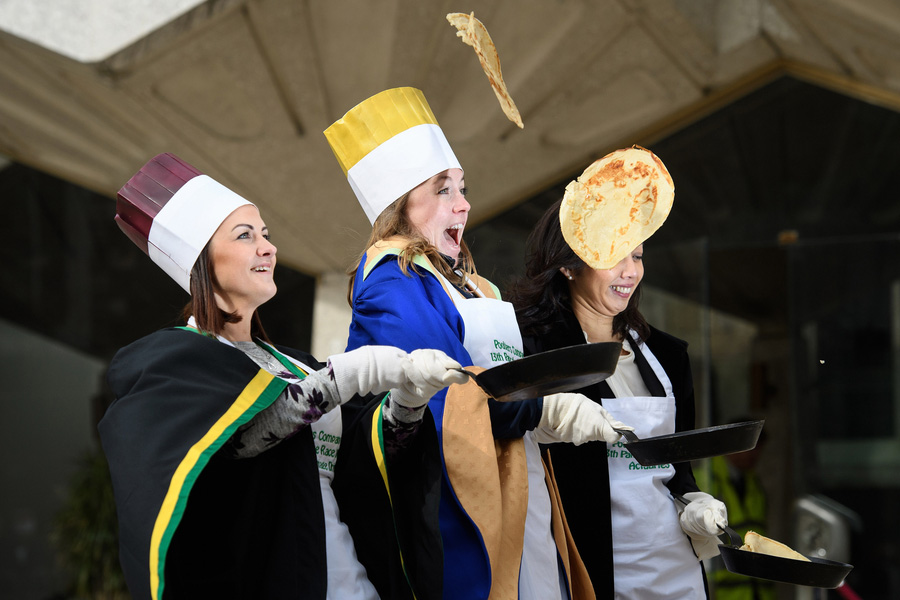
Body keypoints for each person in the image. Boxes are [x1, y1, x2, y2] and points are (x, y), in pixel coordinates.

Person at [98, 153, 466, 600]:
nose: (268, 248)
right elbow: (237, 443)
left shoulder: (297, 365)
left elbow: (366, 466)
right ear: (201, 260)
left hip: (352, 583)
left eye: (266, 235)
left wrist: (408, 402)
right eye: (245, 235)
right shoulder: (171, 361)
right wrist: (345, 376)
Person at [324, 87, 628, 600]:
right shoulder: (391, 282)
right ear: (401, 205)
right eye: (444, 189)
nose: (464, 204)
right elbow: (449, 393)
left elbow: (510, 382)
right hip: (456, 508)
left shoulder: (471, 283)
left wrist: (546, 414)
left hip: (518, 488)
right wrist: (543, 411)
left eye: (462, 187)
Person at [507, 148, 728, 600]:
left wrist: (694, 504)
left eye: (639, 255)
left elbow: (677, 471)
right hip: (592, 569)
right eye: (615, 255)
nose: (631, 272)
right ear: (568, 265)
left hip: (675, 568)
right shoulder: (536, 352)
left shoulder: (668, 356)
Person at [704, 427, 774, 600]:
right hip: (721, 591)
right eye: (752, 447)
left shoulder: (755, 485)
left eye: (759, 449)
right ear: (734, 444)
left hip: (757, 590)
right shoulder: (706, 479)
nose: (755, 454)